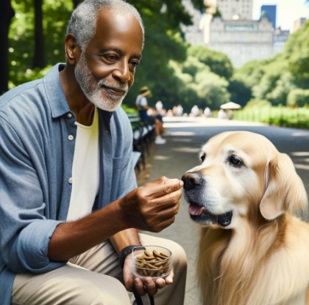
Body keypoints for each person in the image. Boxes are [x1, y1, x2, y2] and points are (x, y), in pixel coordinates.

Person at [0, 1, 187, 305]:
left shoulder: (116, 122)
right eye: (111, 56)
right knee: (107, 296)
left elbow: (116, 203)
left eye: (134, 62)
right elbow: (22, 247)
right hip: (15, 267)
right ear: (73, 48)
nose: (125, 74)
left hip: (79, 246)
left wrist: (131, 251)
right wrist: (123, 212)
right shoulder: (14, 118)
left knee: (172, 260)